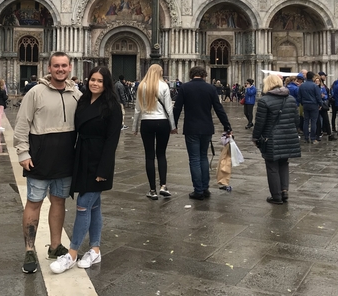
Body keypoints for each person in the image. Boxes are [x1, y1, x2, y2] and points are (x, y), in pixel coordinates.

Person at [13, 52, 82, 274]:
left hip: (65, 159)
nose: (60, 69)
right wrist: (23, 153)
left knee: (59, 202)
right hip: (40, 158)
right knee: (34, 202)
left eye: (64, 65)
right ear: (49, 68)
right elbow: (22, 123)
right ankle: (29, 250)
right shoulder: (35, 92)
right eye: (56, 66)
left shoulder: (76, 95)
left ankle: (55, 246)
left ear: (70, 67)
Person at [49, 66, 122, 274]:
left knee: (83, 204)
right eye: (92, 79)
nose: (95, 83)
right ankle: (95, 249)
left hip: (99, 161)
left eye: (99, 81)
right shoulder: (82, 100)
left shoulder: (112, 106)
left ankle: (71, 254)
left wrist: (104, 169)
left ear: (106, 83)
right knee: (94, 206)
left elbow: (112, 141)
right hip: (82, 157)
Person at [172, 66, 232, 200]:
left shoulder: (185, 88)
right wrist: (227, 126)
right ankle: (205, 188)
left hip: (191, 128)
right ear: (204, 75)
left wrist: (173, 125)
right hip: (206, 128)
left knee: (194, 159)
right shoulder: (210, 88)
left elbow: (177, 108)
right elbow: (219, 108)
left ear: (191, 74)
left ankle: (198, 190)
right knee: (203, 157)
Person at [252, 73, 301, 204]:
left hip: (271, 137)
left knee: (272, 166)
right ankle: (284, 192)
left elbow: (260, 123)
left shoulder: (264, 100)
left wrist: (256, 137)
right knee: (284, 163)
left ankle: (276, 196)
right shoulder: (290, 99)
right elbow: (297, 120)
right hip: (288, 136)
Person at [132, 64, 176, 200]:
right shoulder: (164, 86)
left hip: (146, 122)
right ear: (159, 73)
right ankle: (163, 186)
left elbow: (137, 109)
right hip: (162, 122)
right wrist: (173, 126)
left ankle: (152, 190)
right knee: (161, 154)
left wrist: (134, 127)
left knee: (149, 156)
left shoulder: (141, 86)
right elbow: (169, 108)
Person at [298, 72, 322, 143]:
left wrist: (302, 103)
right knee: (313, 122)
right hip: (314, 105)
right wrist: (320, 104)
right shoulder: (315, 86)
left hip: (305, 104)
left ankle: (306, 138)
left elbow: (299, 97)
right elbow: (318, 96)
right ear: (312, 77)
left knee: (306, 121)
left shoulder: (302, 86)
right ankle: (312, 138)